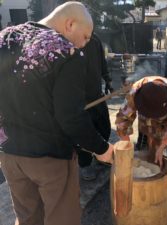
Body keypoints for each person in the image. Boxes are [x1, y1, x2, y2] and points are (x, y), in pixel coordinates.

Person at [0, 2, 114, 225]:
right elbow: (70, 117)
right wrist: (101, 148)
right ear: (70, 24)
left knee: (27, 218)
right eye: (86, 36)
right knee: (62, 219)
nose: (85, 43)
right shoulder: (66, 51)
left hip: (9, 153)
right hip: (50, 158)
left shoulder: (4, 38)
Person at [115, 76, 167, 203]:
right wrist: (127, 145)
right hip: (146, 126)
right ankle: (140, 185)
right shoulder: (135, 92)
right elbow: (123, 120)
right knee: (141, 150)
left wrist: (162, 145)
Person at [78, 33, 113, 181]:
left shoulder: (95, 39)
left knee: (104, 128)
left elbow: (102, 61)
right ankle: (85, 164)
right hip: (79, 98)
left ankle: (100, 155)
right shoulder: (68, 41)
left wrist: (108, 79)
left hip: (96, 94)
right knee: (85, 132)